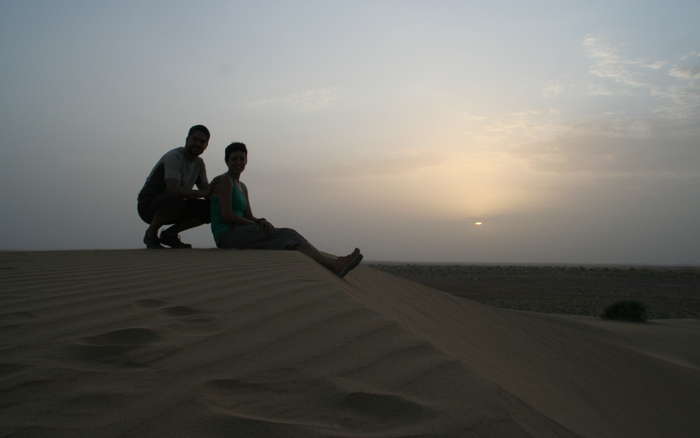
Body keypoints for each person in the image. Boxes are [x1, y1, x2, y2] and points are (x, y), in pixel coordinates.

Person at [210, 142, 363, 277]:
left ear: (246, 161)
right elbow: (227, 215)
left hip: (242, 231)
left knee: (286, 235)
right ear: (227, 161)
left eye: (242, 159)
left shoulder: (242, 186)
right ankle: (334, 265)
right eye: (234, 159)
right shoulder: (225, 181)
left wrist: (260, 221)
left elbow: (249, 215)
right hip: (227, 235)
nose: (238, 162)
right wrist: (255, 225)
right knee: (288, 236)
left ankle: (334, 263)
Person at [137, 125, 211, 249]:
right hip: (149, 205)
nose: (197, 144)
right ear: (187, 139)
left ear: (206, 145)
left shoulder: (199, 164)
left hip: (176, 205)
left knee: (211, 208)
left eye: (202, 142)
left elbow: (207, 190)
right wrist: (201, 193)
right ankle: (151, 234)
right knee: (176, 196)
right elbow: (173, 189)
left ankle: (170, 234)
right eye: (195, 139)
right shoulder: (174, 157)